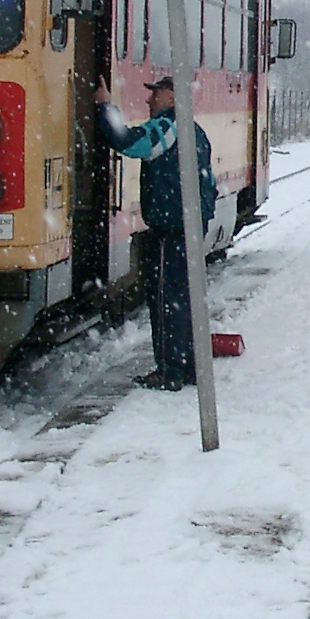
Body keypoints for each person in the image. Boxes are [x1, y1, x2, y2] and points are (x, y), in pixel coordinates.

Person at [94, 74, 216, 390]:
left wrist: (105, 108)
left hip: (173, 229)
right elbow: (210, 182)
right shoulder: (195, 131)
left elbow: (128, 141)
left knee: (166, 300)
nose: (149, 100)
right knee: (183, 298)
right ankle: (187, 366)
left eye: (156, 94)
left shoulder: (168, 127)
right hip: (186, 226)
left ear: (173, 98)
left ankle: (170, 371)